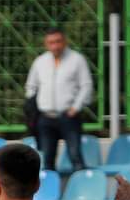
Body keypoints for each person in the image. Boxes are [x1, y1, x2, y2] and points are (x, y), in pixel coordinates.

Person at [25, 27, 93, 173]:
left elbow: (86, 85)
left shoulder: (77, 59)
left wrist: (76, 107)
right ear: (46, 44)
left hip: (69, 115)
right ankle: (50, 186)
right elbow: (31, 86)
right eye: (51, 42)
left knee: (75, 156)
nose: (55, 46)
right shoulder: (40, 61)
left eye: (58, 41)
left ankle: (80, 184)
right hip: (45, 117)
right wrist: (35, 106)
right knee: (47, 159)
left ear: (64, 41)